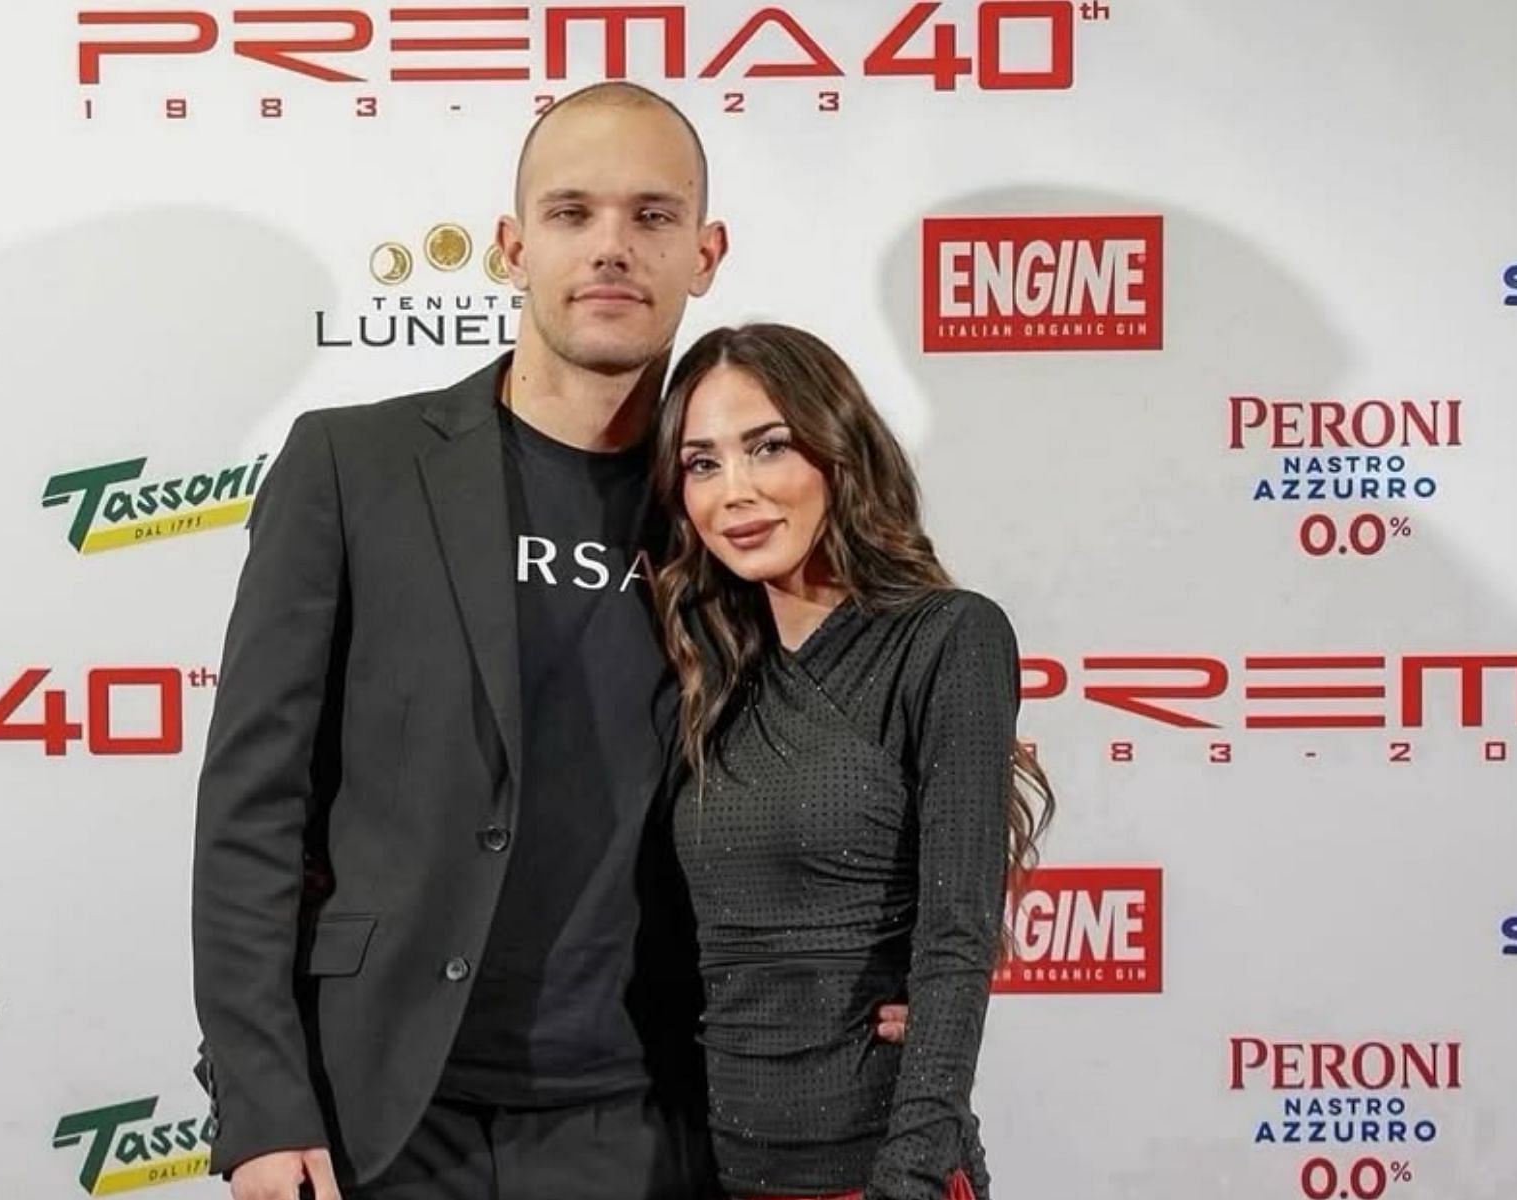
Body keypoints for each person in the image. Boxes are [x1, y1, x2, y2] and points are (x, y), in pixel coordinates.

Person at [189, 81, 734, 1200]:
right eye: (572, 213)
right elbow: (253, 807)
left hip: (644, 1124)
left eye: (653, 216)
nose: (612, 249)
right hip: (377, 1113)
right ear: (510, 246)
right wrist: (259, 1101)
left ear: (706, 252)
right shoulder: (353, 468)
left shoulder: (740, 506)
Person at [648, 323, 1055, 1200]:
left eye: (769, 447)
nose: (738, 492)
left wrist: (906, 1178)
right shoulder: (708, 667)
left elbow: (956, 937)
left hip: (881, 1169)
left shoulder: (950, 637)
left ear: (839, 453)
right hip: (724, 1167)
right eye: (703, 463)